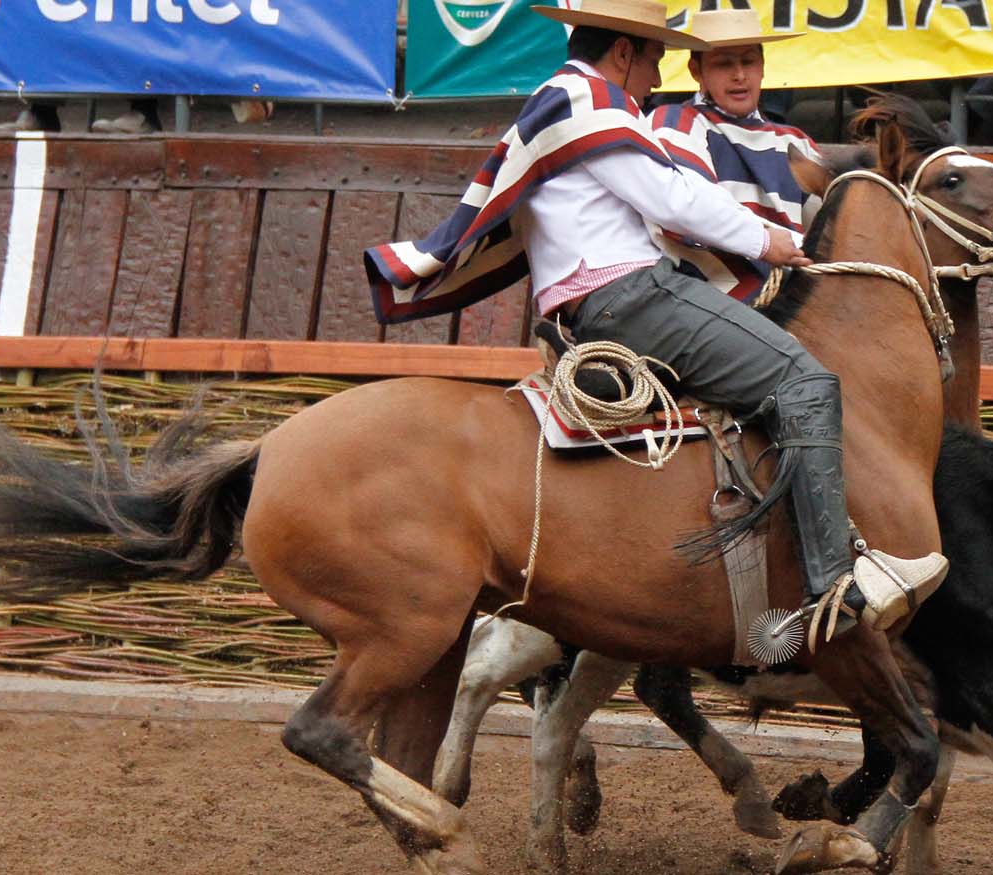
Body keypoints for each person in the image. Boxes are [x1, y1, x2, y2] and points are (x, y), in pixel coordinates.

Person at [364, 0, 948, 650]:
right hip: (630, 295)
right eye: (653, 58)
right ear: (622, 52)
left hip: (593, 300)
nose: (655, 73)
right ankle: (833, 584)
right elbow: (674, 199)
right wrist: (770, 241)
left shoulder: (567, 102)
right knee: (804, 381)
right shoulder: (594, 103)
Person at [647, 7, 823, 302]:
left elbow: (832, 229)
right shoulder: (675, 123)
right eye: (724, 64)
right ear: (696, 70)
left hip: (798, 301)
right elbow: (691, 213)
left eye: (748, 61)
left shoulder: (798, 142)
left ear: (762, 67)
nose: (739, 75)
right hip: (703, 302)